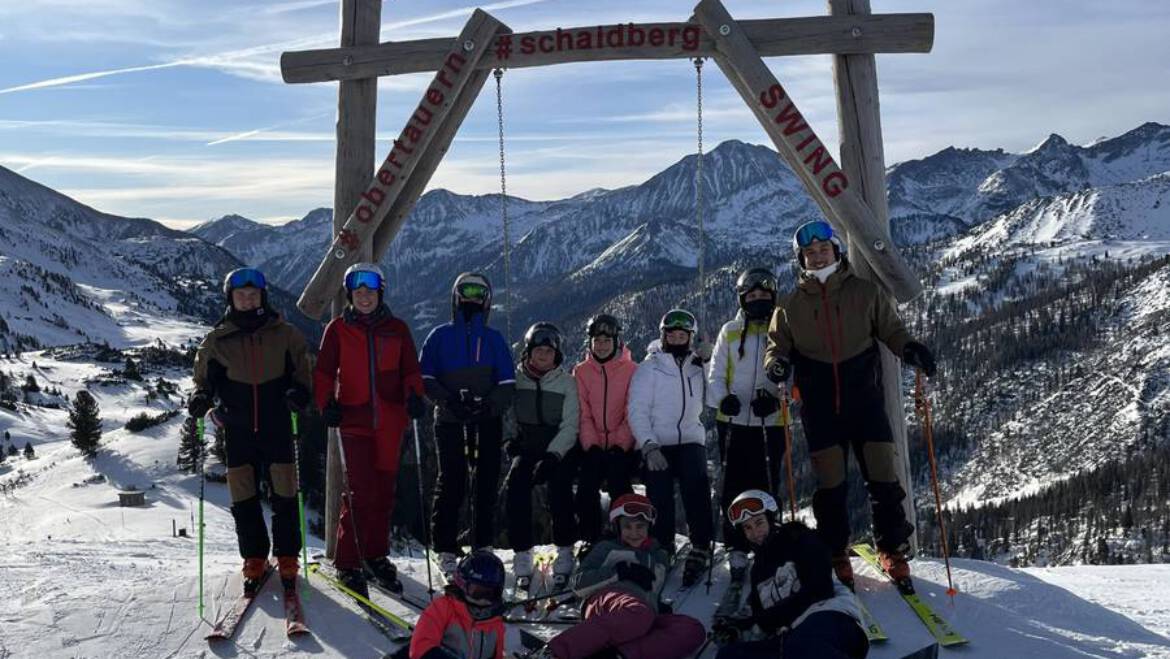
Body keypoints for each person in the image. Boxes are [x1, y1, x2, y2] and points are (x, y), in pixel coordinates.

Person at [764, 220, 937, 586]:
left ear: (836, 251)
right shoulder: (789, 304)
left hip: (866, 403)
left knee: (883, 480)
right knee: (831, 487)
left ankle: (892, 549)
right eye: (809, 253)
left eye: (823, 250)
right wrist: (776, 364)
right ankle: (836, 552)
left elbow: (891, 329)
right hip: (820, 408)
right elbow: (776, 345)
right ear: (801, 259)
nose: (817, 256)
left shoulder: (864, 292)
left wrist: (910, 349)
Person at [190, 267, 312, 592]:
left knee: (285, 493)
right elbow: (203, 380)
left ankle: (287, 556)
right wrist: (200, 397)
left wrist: (301, 392)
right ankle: (254, 558)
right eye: (241, 295)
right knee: (244, 497)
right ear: (231, 299)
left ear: (262, 297)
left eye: (253, 295)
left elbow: (303, 368)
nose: (247, 300)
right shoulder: (217, 340)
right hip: (238, 427)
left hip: (277, 425)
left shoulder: (285, 334)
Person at [313, 262, 426, 595]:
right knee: (360, 493)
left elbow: (410, 371)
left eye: (370, 291)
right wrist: (326, 404)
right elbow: (322, 372)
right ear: (350, 295)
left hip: (390, 422)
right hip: (354, 421)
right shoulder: (337, 330)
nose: (364, 297)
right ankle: (348, 562)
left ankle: (375, 554)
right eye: (358, 292)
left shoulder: (398, 329)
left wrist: (415, 396)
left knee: (383, 494)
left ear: (380, 293)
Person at [419, 273, 515, 577]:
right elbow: (425, 377)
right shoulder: (439, 336)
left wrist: (489, 405)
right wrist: (448, 401)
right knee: (452, 481)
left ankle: (482, 544)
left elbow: (507, 382)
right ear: (456, 297)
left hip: (486, 421)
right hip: (449, 420)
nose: (472, 298)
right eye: (466, 292)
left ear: (486, 300)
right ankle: (445, 547)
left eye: (479, 293)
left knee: (485, 482)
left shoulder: (494, 339)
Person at [532, 494, 706, 659]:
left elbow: (650, 590)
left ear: (649, 527)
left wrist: (656, 603)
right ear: (618, 528)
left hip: (641, 612)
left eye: (640, 527)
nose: (634, 532)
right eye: (627, 527)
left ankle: (617, 655)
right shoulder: (606, 548)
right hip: (607, 600)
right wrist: (619, 572)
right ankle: (554, 653)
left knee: (691, 629)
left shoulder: (659, 557)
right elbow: (578, 584)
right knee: (637, 613)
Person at [707, 268, 790, 585]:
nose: (757, 301)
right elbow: (715, 375)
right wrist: (722, 399)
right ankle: (736, 546)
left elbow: (792, 376)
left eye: (763, 296)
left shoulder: (783, 330)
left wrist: (777, 400)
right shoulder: (730, 331)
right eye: (751, 296)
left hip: (770, 422)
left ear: (773, 298)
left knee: (767, 484)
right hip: (733, 421)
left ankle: (768, 543)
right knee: (732, 485)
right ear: (742, 299)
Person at [713, 490, 868, 659]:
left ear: (771, 520)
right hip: (789, 638)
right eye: (747, 528)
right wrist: (738, 628)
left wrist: (771, 618)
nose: (755, 532)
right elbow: (762, 621)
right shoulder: (757, 572)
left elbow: (820, 589)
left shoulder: (798, 539)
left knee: (801, 646)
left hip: (829, 617)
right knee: (728, 655)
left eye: (759, 523)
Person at [627, 308, 714, 587]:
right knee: (659, 496)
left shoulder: (697, 364)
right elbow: (637, 409)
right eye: (672, 334)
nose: (677, 339)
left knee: (696, 488)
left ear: (690, 337)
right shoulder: (649, 367)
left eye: (683, 335)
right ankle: (662, 546)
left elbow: (715, 395)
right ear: (663, 336)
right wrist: (649, 445)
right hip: (658, 442)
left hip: (690, 438)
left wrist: (709, 360)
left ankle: (701, 544)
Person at [504, 322, 580, 592]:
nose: (543, 356)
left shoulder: (566, 383)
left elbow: (571, 424)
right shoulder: (517, 379)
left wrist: (553, 456)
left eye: (549, 351)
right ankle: (522, 552)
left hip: (557, 448)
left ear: (556, 354)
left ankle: (564, 549)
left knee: (560, 490)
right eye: (538, 351)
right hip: (528, 445)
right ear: (529, 352)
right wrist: (510, 440)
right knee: (516, 486)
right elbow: (508, 413)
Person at [571, 314, 639, 552]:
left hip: (624, 446)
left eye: (606, 340)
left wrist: (621, 445)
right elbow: (583, 412)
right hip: (594, 446)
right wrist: (591, 445)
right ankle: (591, 538)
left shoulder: (632, 370)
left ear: (617, 341)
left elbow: (633, 411)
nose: (601, 345)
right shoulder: (581, 372)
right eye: (596, 340)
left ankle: (627, 536)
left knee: (620, 484)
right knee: (586, 487)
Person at [408, 550, 507, 659]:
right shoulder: (442, 609)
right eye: (477, 591)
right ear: (462, 584)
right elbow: (420, 648)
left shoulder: (495, 620)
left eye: (489, 593)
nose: (483, 598)